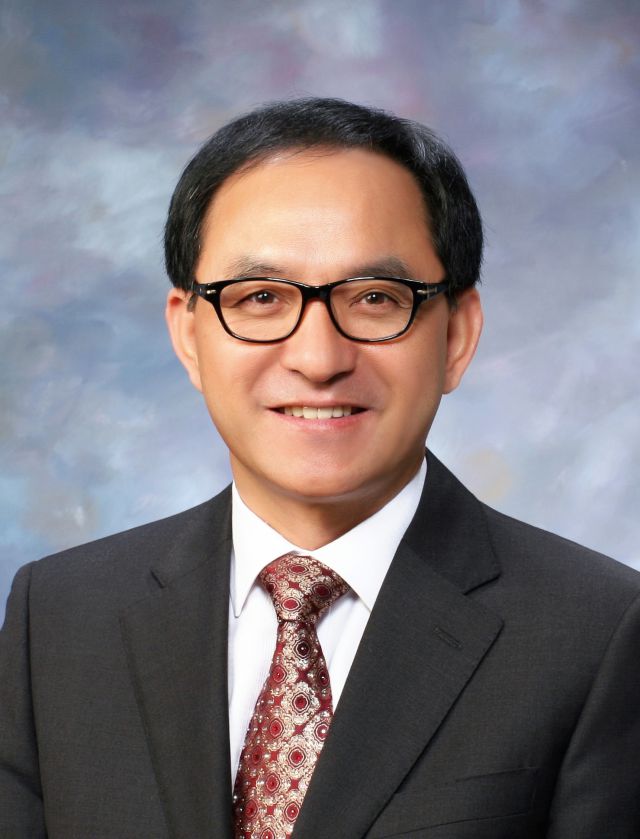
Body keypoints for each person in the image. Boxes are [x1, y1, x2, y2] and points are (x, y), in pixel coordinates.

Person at [1, 98, 639, 839]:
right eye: (260, 297)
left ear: (456, 336)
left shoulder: (599, 634)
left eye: (374, 298)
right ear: (189, 335)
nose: (317, 358)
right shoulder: (60, 617)